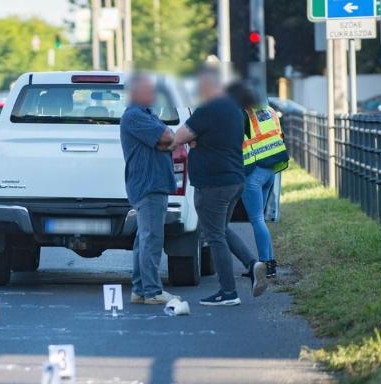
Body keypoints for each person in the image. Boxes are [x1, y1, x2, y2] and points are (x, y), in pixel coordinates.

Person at [173, 68, 248, 306]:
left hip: (213, 183)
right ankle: (252, 263)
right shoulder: (234, 108)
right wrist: (196, 139)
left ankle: (228, 292)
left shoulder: (208, 109)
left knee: (214, 235)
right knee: (222, 229)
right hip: (235, 179)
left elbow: (179, 136)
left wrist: (193, 140)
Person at [120, 73, 181, 305]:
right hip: (149, 184)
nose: (153, 94)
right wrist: (165, 140)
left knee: (143, 239)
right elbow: (167, 136)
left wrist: (166, 140)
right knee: (151, 238)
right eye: (149, 89)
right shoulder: (135, 116)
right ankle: (153, 292)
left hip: (151, 183)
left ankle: (139, 289)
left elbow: (169, 139)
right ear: (135, 92)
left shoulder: (146, 114)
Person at [228, 80, 289, 279]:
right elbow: (280, 135)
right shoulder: (269, 111)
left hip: (252, 173)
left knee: (256, 220)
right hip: (270, 169)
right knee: (260, 220)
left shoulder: (242, 115)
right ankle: (269, 263)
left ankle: (266, 266)